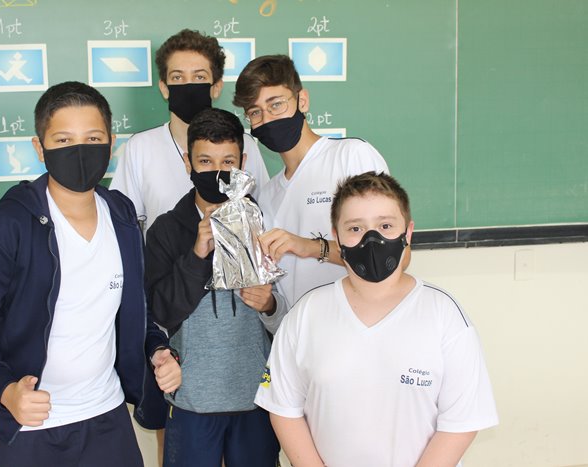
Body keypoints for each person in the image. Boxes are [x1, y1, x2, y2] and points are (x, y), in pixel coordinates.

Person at [0, 81, 181, 467]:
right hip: (24, 427)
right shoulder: (6, 225)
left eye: (93, 138)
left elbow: (135, 309)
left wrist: (157, 351)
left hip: (105, 418)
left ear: (111, 144)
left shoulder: (121, 215)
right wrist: (6, 391)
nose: (80, 150)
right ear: (40, 148)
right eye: (64, 140)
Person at [255, 172, 499, 467]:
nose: (372, 239)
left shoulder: (445, 316)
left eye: (385, 226)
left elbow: (460, 423)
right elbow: (283, 409)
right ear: (336, 237)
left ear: (408, 233)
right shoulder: (306, 314)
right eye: (355, 228)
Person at [145, 108, 285, 467]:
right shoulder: (166, 230)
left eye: (228, 162)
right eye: (205, 161)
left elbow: (288, 314)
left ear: (243, 163)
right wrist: (196, 254)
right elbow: (160, 311)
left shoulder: (265, 221)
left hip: (256, 397)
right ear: (187, 162)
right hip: (191, 399)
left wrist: (269, 305)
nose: (217, 172)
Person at [233, 54, 390, 308]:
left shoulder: (351, 156)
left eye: (276, 105)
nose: (267, 119)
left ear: (302, 100)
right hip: (301, 329)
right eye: (255, 112)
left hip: (360, 323)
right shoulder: (267, 195)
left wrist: (310, 247)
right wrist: (268, 305)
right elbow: (283, 297)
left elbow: (389, 254)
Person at [110, 29, 269, 233]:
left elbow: (264, 216)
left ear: (216, 87)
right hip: (163, 254)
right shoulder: (140, 148)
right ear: (164, 88)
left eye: (199, 77)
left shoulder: (245, 145)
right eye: (177, 77)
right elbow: (122, 225)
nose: (188, 86)